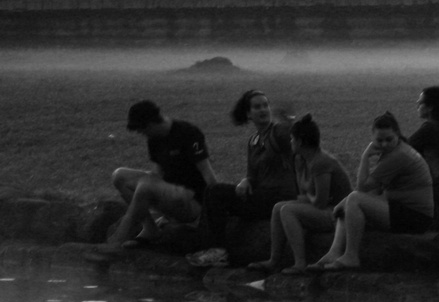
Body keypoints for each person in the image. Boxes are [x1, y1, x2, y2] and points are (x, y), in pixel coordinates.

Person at [193, 90, 299, 268]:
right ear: (248, 114)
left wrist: (290, 124)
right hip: (261, 196)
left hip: (279, 197)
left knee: (216, 192)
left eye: (265, 105)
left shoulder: (278, 132)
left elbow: (294, 142)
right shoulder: (253, 141)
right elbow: (253, 174)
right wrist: (246, 180)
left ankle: (218, 251)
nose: (263, 110)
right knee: (212, 192)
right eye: (257, 107)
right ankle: (209, 247)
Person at [315, 112, 433, 271]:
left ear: (397, 134)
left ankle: (351, 256)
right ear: (373, 138)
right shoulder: (397, 150)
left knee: (354, 199)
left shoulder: (398, 156)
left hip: (415, 217)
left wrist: (365, 156)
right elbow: (375, 190)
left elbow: (362, 187)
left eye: (388, 139)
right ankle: (334, 252)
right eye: (379, 140)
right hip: (404, 209)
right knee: (351, 201)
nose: (384, 144)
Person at [249, 113, 354, 275]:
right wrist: (300, 175)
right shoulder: (302, 160)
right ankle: (274, 260)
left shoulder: (321, 163)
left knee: (287, 210)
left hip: (337, 214)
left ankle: (300, 263)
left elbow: (319, 201)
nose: (290, 142)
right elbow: (302, 195)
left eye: (292, 139)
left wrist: (308, 197)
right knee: (278, 207)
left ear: (300, 142)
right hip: (324, 206)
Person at [106, 100, 217, 248]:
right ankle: (150, 229)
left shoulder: (188, 133)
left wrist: (213, 211)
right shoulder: (154, 140)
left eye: (141, 130)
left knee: (146, 185)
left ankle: (117, 240)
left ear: (150, 123)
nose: (142, 134)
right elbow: (157, 174)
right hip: (171, 195)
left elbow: (207, 173)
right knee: (119, 176)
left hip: (192, 201)